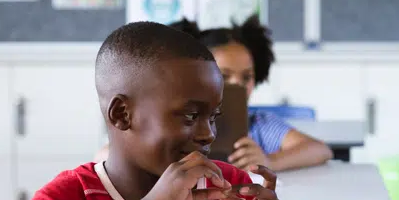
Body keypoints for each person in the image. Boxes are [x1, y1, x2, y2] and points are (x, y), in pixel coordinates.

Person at [0, 21, 290, 200]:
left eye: (213, 116)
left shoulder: (228, 185)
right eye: (191, 115)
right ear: (122, 114)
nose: (208, 133)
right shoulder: (77, 194)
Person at [94, 15, 332, 171]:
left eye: (247, 77)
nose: (237, 85)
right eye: (224, 76)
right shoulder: (172, 126)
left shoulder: (257, 125)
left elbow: (320, 149)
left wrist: (269, 161)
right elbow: (104, 156)